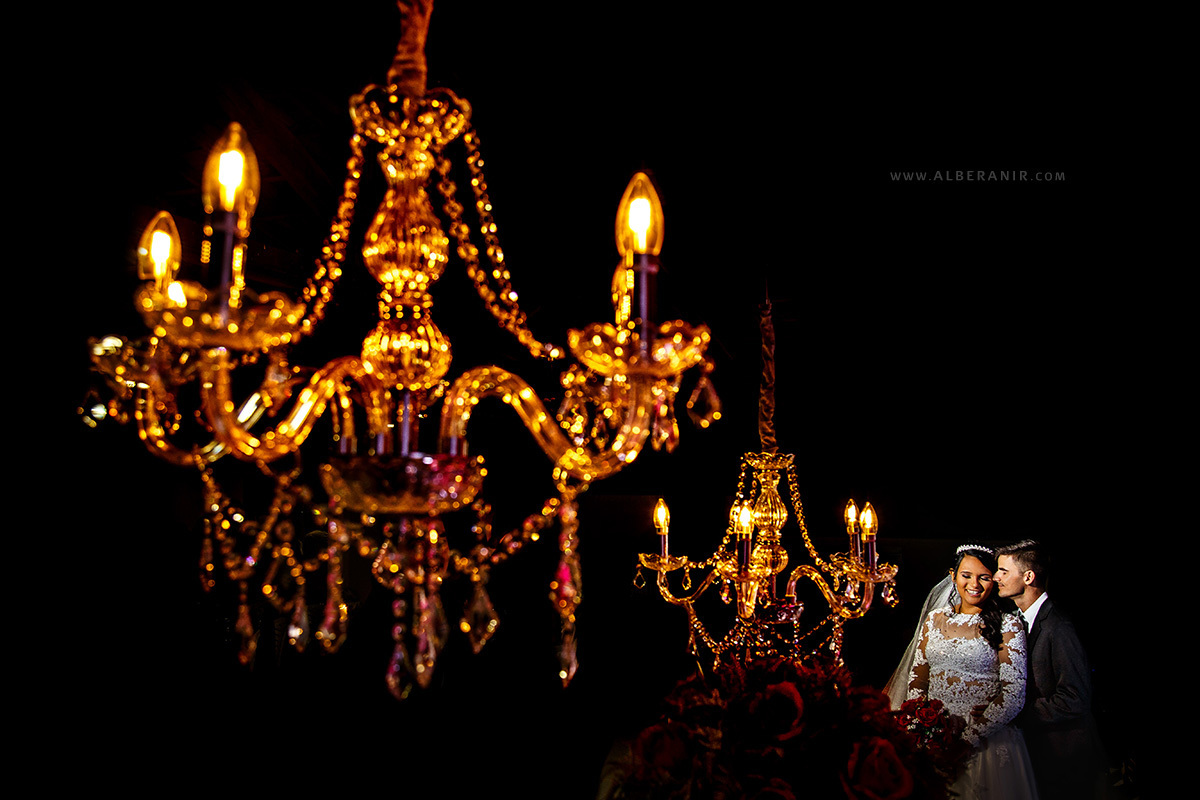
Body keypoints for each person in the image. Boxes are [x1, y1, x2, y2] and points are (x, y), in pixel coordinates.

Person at [887, 544, 1039, 800]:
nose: (974, 584)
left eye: (984, 577)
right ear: (953, 576)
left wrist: (966, 742)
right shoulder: (934, 620)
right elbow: (918, 680)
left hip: (987, 744)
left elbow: (1013, 694)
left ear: (995, 581)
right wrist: (924, 730)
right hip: (934, 743)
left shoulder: (1007, 623)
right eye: (966, 575)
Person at [995, 539, 1108, 799]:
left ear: (1028, 576)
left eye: (1004, 571)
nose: (996, 577)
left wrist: (1014, 712)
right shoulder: (1015, 622)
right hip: (1038, 754)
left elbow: (1074, 698)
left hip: (1066, 758)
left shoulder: (1059, 626)